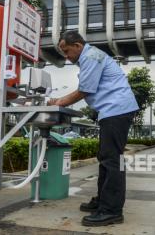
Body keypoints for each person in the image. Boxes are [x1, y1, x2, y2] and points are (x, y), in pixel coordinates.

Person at [47, 31, 139, 227]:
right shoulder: (91, 56)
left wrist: (59, 101)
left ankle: (112, 210)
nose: (66, 56)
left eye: (67, 51)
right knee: (106, 157)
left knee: (113, 160)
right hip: (113, 110)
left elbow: (85, 90)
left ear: (78, 45)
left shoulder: (91, 56)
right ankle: (103, 201)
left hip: (117, 110)